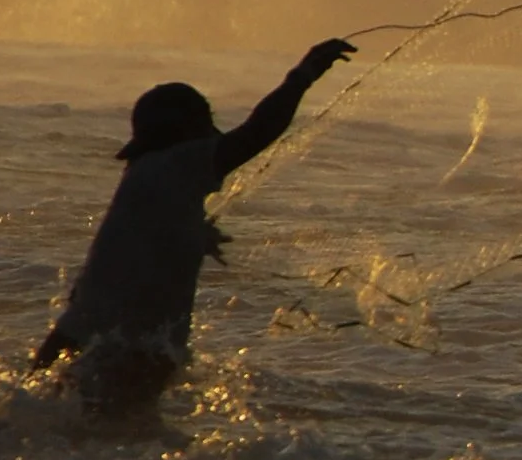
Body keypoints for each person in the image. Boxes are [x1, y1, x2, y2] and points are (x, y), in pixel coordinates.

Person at [33, 38, 356, 413]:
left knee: (52, 431)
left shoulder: (145, 174)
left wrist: (196, 236)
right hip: (126, 350)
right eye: (207, 122)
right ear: (188, 129)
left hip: (78, 338)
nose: (214, 134)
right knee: (116, 445)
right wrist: (303, 75)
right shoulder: (178, 162)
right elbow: (257, 133)